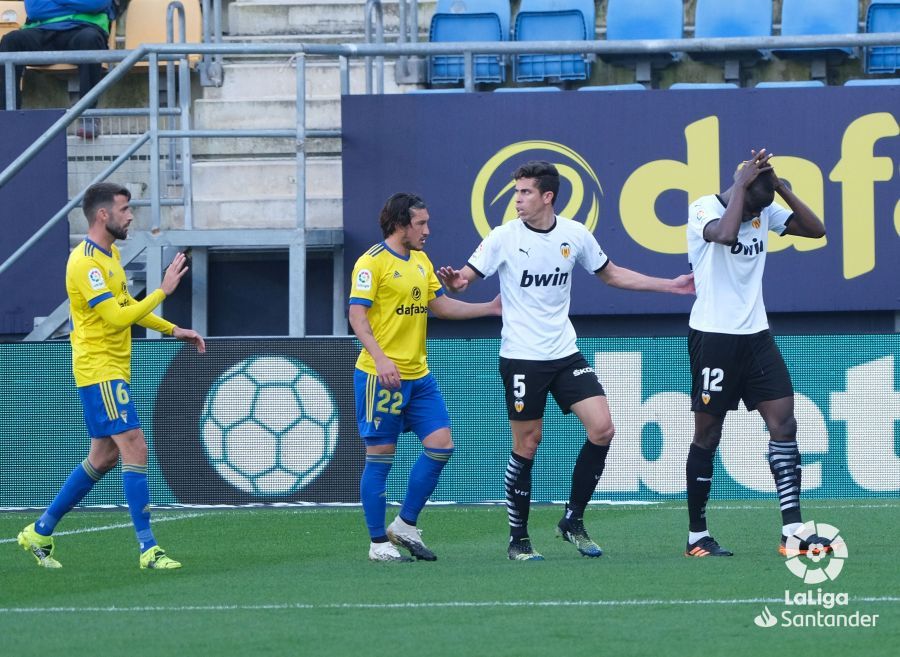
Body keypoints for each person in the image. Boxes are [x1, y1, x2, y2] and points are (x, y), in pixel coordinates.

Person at [438, 161, 695, 561]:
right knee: (528, 443)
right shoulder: (503, 237)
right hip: (522, 356)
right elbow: (466, 277)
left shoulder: (574, 234)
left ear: (547, 196)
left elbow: (610, 274)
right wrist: (457, 281)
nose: (517, 199)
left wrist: (669, 285)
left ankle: (572, 520)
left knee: (603, 429)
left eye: (525, 192)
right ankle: (518, 538)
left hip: (564, 352)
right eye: (516, 192)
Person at [17, 181, 205, 570]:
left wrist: (173, 329)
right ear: (103, 215)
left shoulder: (110, 254)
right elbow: (117, 316)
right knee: (135, 447)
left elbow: (128, 306)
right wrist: (163, 291)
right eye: (124, 209)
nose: (131, 215)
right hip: (99, 369)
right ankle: (148, 549)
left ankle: (40, 531)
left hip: (114, 367)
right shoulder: (84, 263)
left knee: (102, 459)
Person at [683, 148, 829, 558]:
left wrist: (779, 187)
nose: (756, 217)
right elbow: (724, 235)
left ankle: (793, 532)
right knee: (708, 434)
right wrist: (743, 186)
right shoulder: (703, 208)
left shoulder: (763, 208)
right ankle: (697, 536)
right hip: (714, 336)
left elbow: (815, 230)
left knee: (784, 424)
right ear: (738, 188)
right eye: (753, 206)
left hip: (757, 336)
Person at [349, 192, 501, 562]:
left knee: (441, 445)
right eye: (421, 223)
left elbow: (440, 305)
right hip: (380, 376)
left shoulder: (420, 260)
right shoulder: (371, 263)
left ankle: (404, 525)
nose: (427, 230)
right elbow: (357, 316)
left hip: (419, 376)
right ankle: (377, 542)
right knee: (380, 457)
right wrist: (381, 359)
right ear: (401, 224)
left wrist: (490, 308)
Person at [0, 0, 115, 138]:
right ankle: (7, 117)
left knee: (90, 39)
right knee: (11, 41)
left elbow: (95, 4)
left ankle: (88, 116)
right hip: (42, 29)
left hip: (83, 28)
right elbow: (35, 9)